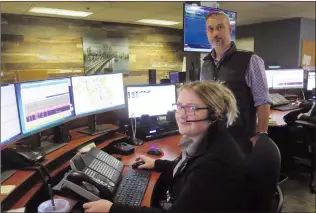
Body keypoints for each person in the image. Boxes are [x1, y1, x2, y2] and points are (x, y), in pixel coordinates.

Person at [83, 81, 249, 213]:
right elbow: (186, 168)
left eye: (191, 108)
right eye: (179, 106)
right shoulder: (208, 138)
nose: (181, 115)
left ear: (214, 114)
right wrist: (156, 164)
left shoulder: (213, 163)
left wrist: (113, 209)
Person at [200, 11, 270, 153]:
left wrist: (261, 135)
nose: (215, 34)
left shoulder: (250, 60)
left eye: (220, 27)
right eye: (211, 29)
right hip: (212, 137)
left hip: (240, 139)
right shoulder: (206, 64)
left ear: (230, 30)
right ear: (206, 32)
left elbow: (262, 102)